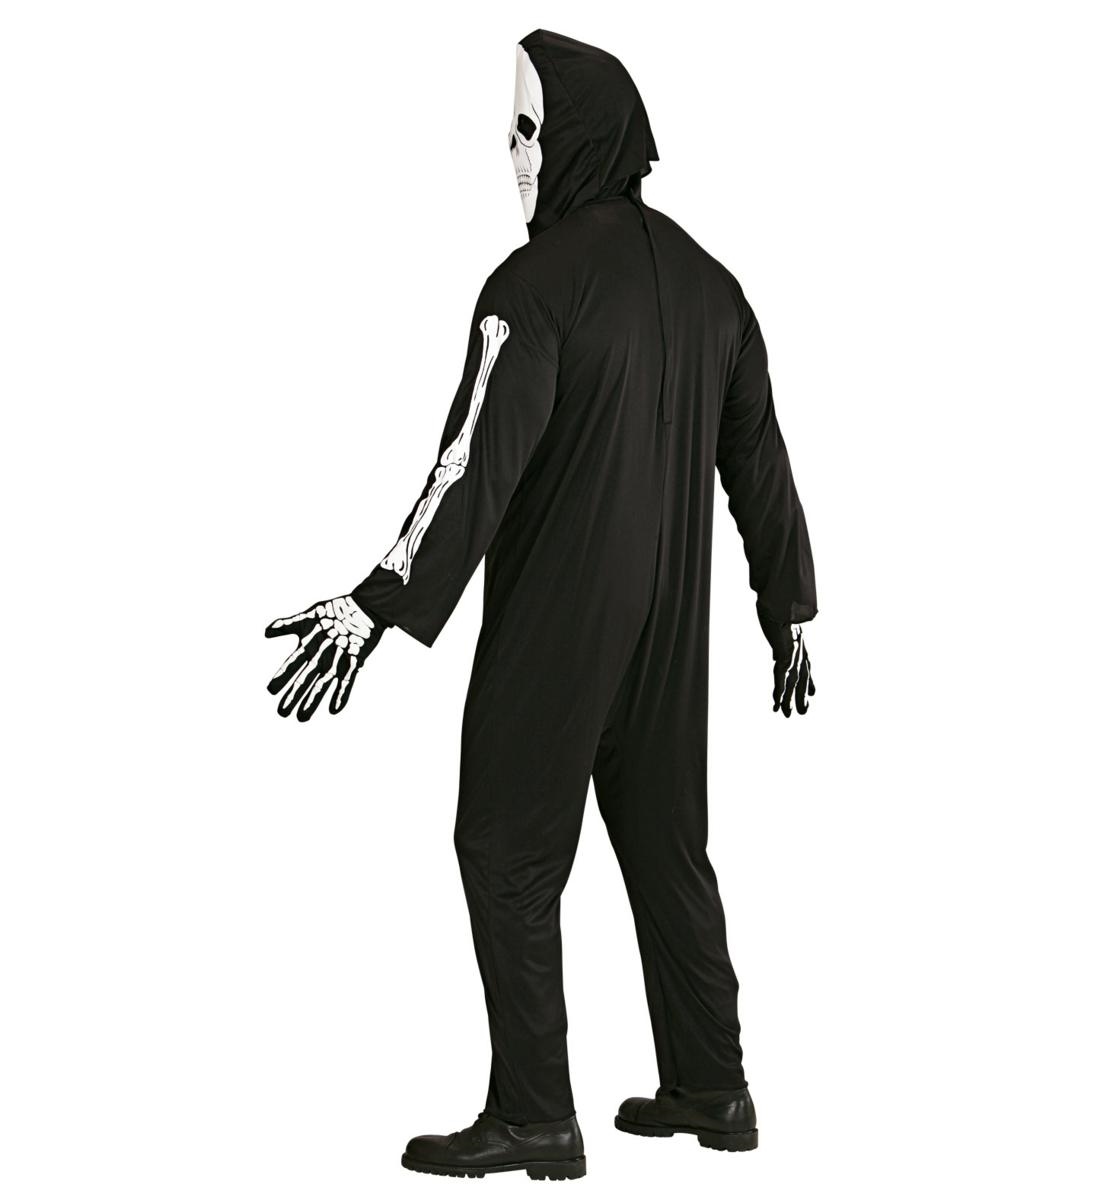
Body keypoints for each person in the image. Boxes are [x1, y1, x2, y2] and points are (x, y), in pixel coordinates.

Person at [266, 28, 817, 1181]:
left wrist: (377, 601)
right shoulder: (716, 290)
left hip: (560, 623)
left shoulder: (532, 286)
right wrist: (789, 610)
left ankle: (534, 1116)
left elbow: (474, 463)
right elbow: (759, 466)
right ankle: (713, 1089)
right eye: (510, 134)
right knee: (667, 847)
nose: (513, 156)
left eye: (528, 130)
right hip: (671, 630)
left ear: (577, 135)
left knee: (505, 850)